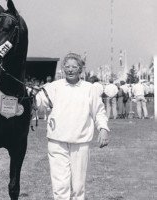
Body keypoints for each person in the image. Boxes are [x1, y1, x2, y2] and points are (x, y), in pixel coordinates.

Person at [31, 53, 109, 200]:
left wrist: (103, 129)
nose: (70, 70)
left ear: (80, 69)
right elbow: (39, 104)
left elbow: (99, 111)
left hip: (81, 142)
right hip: (56, 141)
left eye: (74, 67)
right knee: (60, 186)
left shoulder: (90, 89)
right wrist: (32, 98)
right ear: (63, 69)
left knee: (78, 186)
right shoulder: (53, 87)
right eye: (67, 66)